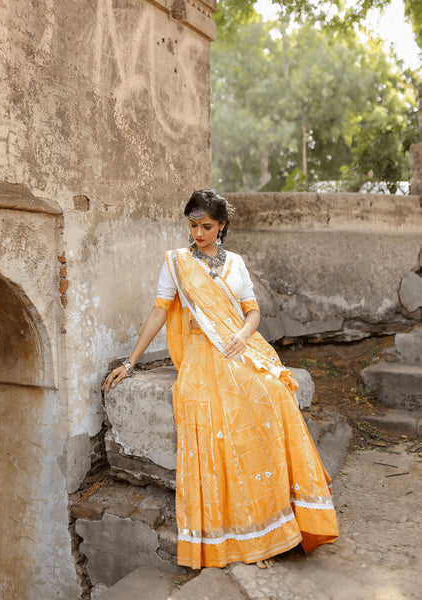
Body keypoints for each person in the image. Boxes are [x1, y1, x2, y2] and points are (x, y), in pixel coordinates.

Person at [102, 189, 338, 571]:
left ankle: (279, 523)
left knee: (273, 393)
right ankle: (249, 535)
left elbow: (252, 312)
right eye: (193, 225)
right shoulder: (177, 262)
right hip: (199, 352)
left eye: (206, 226)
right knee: (213, 410)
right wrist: (130, 363)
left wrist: (243, 336)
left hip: (237, 345)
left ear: (222, 225)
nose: (198, 233)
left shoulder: (237, 264)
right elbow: (159, 313)